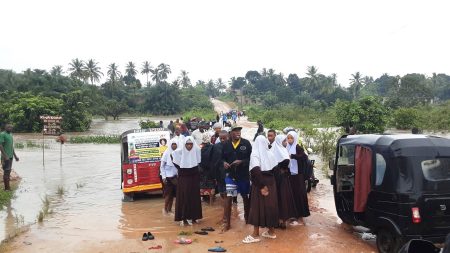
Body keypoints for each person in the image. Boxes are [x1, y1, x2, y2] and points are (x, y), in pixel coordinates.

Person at [243, 136, 279, 244]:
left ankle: (255, 234)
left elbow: (255, 171)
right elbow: (276, 170)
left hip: (259, 184)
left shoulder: (255, 154)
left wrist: (262, 186)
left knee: (256, 208)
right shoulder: (271, 153)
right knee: (270, 207)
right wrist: (270, 185)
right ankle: (271, 232)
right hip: (271, 183)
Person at [222, 126, 252, 225]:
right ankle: (227, 223)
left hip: (243, 176)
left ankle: (247, 219)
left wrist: (242, 162)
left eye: (239, 131)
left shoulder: (246, 143)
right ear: (231, 133)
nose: (238, 132)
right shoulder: (226, 144)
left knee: (245, 197)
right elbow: (221, 158)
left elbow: (252, 159)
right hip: (231, 176)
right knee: (229, 197)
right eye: (235, 131)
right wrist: (224, 163)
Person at [171, 137, 202, 226]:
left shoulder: (197, 151)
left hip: (194, 178)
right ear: (184, 145)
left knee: (194, 197)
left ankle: (194, 217)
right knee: (184, 197)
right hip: (183, 179)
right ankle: (183, 218)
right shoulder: (178, 153)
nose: (189, 146)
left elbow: (198, 163)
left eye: (191, 144)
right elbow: (175, 161)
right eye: (187, 144)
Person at [272, 134, 297, 229]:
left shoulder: (283, 150)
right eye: (284, 141)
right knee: (280, 198)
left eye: (286, 141)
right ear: (279, 141)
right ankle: (279, 220)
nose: (286, 143)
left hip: (284, 179)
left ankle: (283, 221)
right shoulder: (275, 151)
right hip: (279, 179)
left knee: (284, 198)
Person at [286, 131, 310, 225]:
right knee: (292, 195)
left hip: (298, 175)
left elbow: (304, 157)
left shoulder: (297, 147)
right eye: (288, 138)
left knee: (299, 195)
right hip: (290, 175)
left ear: (295, 138)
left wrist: (293, 156)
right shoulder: (287, 147)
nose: (289, 140)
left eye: (291, 138)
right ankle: (293, 215)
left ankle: (300, 217)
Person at [160, 138, 179, 215]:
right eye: (173, 144)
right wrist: (163, 177)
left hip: (176, 177)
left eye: (175, 144)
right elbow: (162, 166)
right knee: (168, 195)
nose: (174, 146)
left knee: (176, 195)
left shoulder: (178, 153)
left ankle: (170, 210)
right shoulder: (166, 153)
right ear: (170, 145)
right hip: (167, 177)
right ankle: (165, 210)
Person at [0, 124, 19, 191]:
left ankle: (8, 187)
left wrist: (15, 156)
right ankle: (6, 188)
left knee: (8, 172)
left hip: (10, 156)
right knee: (6, 172)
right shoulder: (2, 134)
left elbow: (11, 146)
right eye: (8, 127)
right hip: (5, 157)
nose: (10, 128)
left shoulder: (10, 135)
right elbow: (0, 145)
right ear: (5, 127)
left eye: (11, 127)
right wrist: (5, 156)